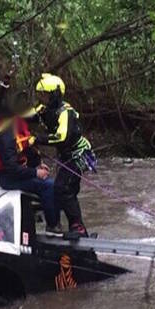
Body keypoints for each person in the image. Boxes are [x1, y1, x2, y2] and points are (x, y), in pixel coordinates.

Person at [0, 78, 62, 235]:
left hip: (17, 174)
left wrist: (37, 165)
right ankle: (53, 227)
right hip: (9, 179)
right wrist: (35, 173)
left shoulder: (13, 128)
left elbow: (26, 150)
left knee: (53, 183)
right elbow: (11, 167)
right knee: (49, 186)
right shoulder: (4, 134)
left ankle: (49, 221)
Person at [25, 73, 96, 238]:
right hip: (67, 156)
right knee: (64, 189)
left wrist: (37, 139)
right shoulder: (45, 109)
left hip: (79, 155)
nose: (43, 99)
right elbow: (28, 116)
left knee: (63, 189)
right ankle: (71, 226)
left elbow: (62, 137)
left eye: (46, 95)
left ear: (55, 94)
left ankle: (78, 228)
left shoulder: (66, 112)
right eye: (42, 95)